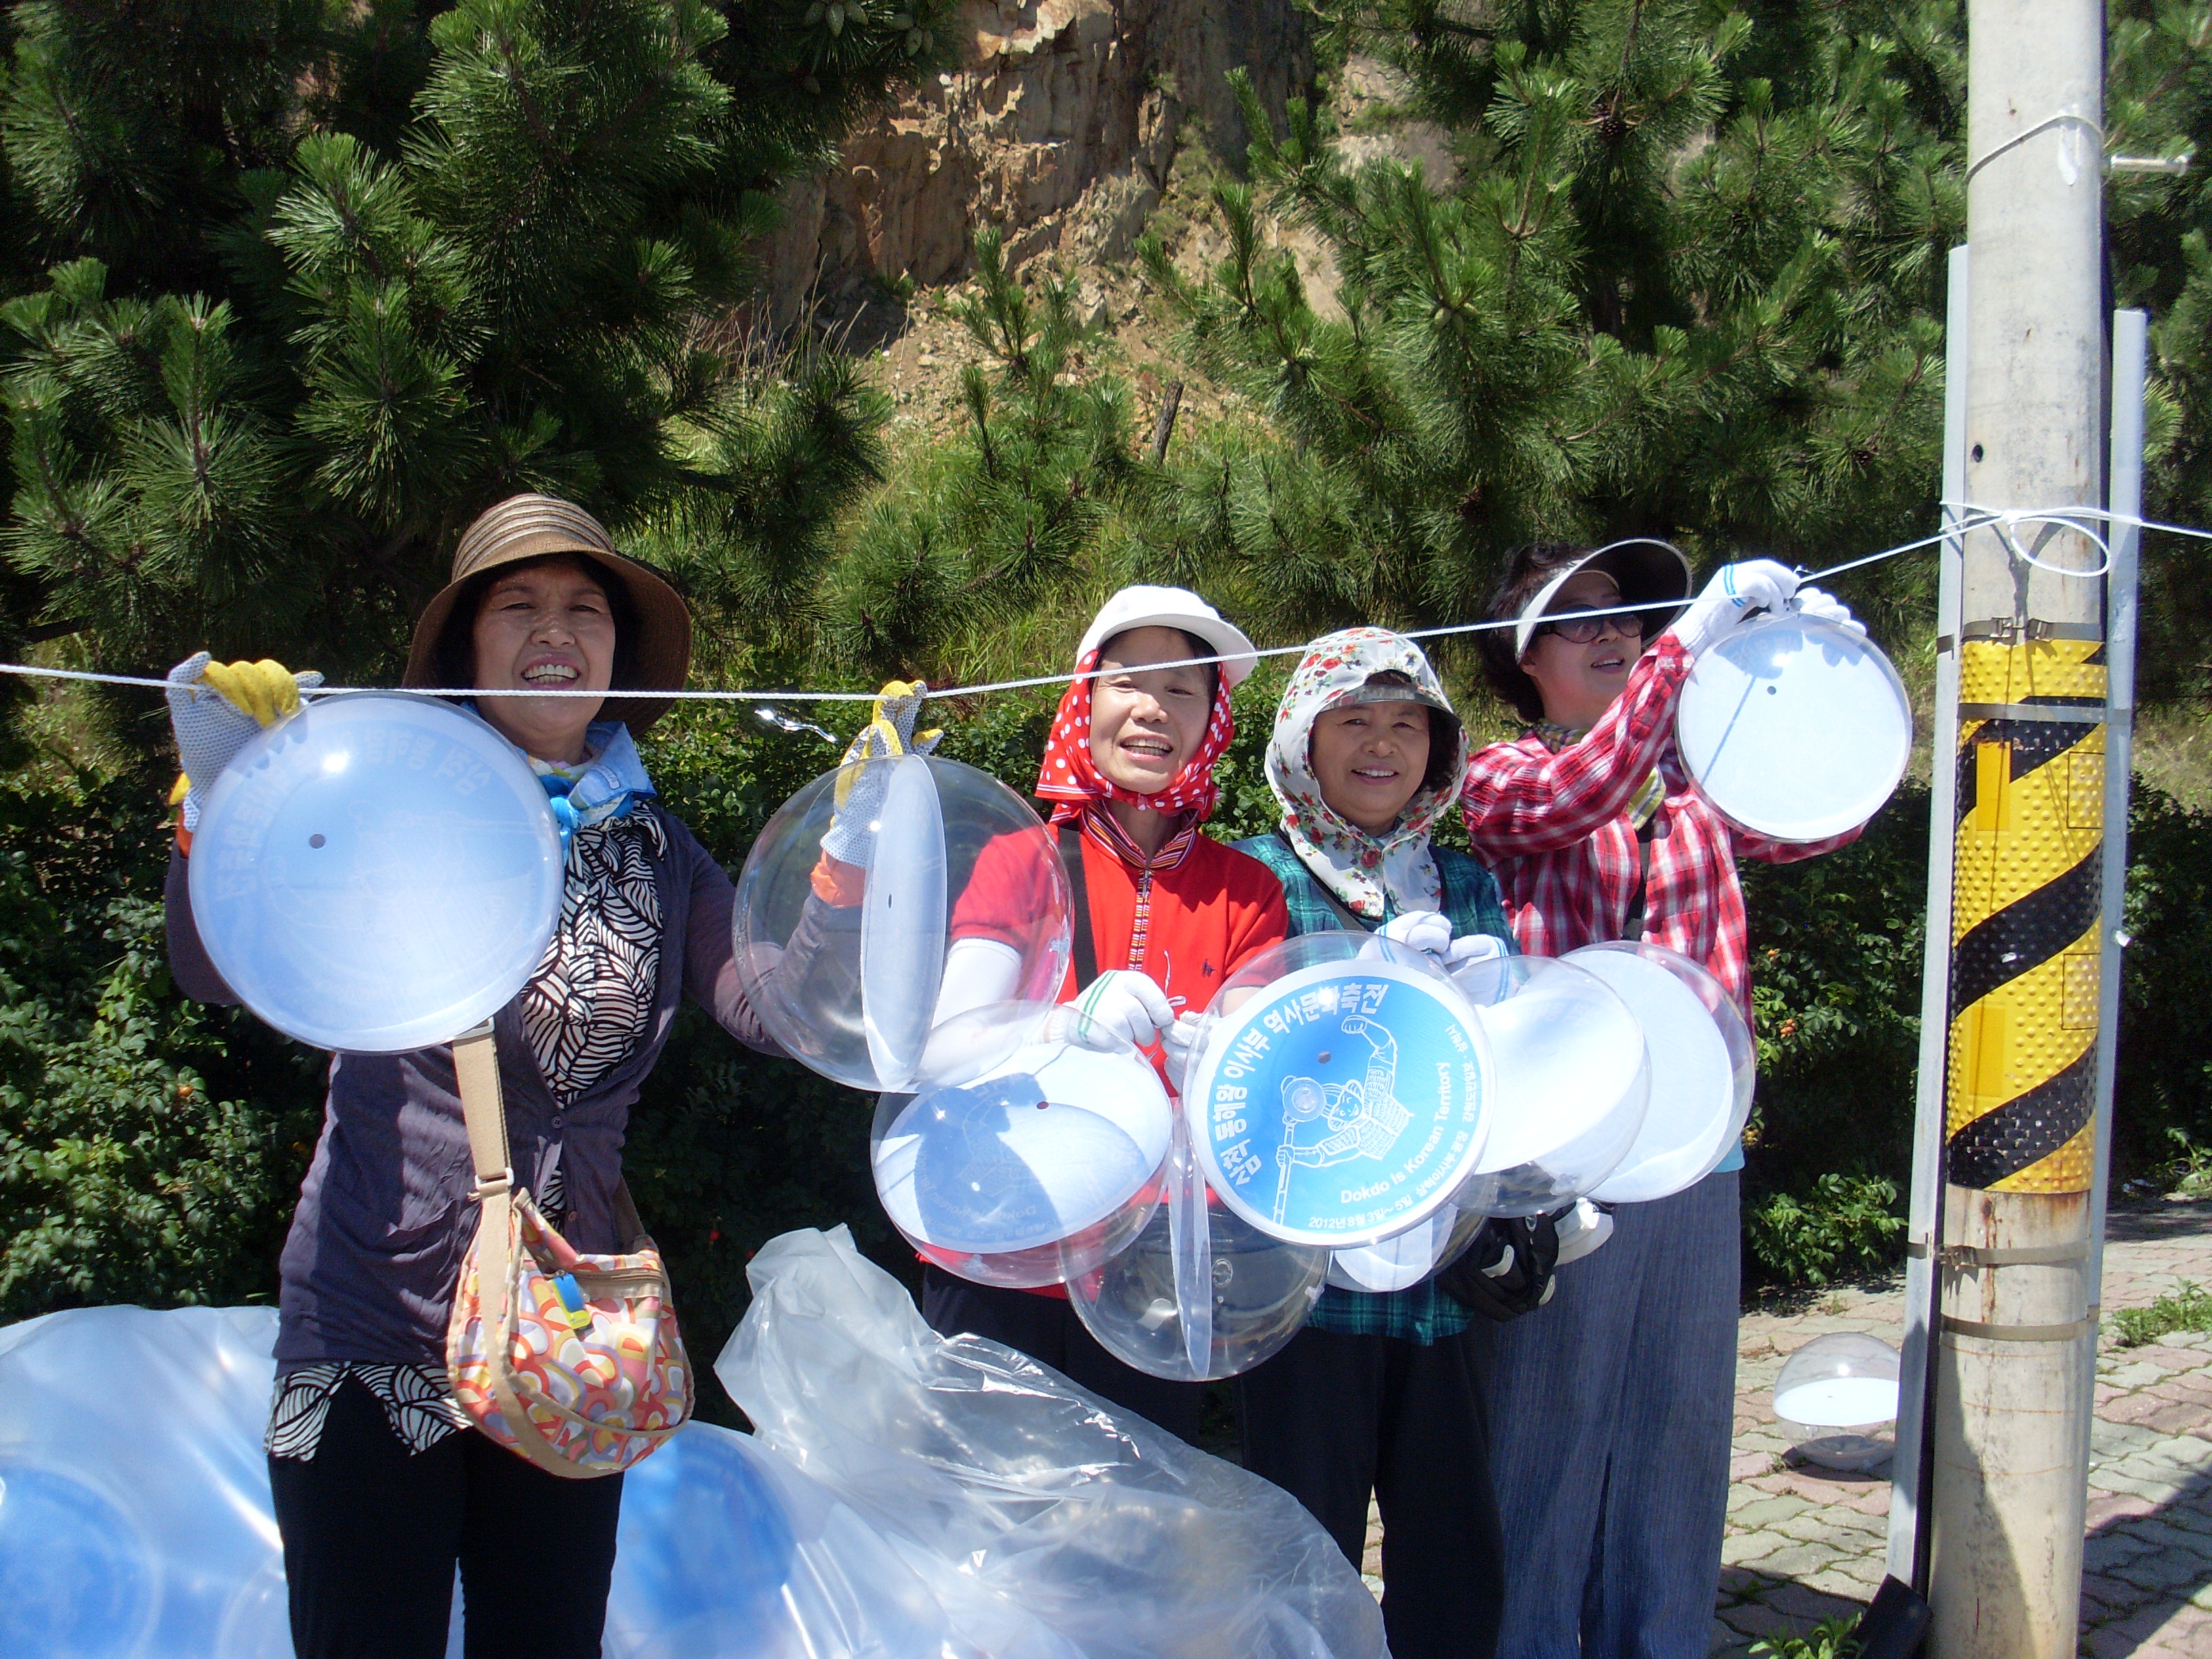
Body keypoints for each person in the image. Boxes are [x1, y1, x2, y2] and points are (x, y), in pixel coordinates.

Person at [163, 494, 783, 1659]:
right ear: (465, 644)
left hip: (562, 1333)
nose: (556, 630)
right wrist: (223, 802)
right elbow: (213, 969)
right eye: (518, 605)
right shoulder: (381, 801)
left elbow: (769, 1007)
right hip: (372, 1310)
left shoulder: (660, 846)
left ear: (617, 650)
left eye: (585, 608)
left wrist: (856, 847)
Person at [1460, 540, 1866, 1659]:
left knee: (1676, 1424)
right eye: (1579, 617)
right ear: (1523, 657)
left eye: (1630, 614)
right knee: (1546, 1425)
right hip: (1567, 1156)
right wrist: (1687, 647)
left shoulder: (1695, 777)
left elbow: (1817, 818)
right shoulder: (1499, 775)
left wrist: (1823, 680)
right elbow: (1582, 788)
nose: (1615, 631)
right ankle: (1528, 1641)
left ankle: (1662, 1638)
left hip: (1696, 1148)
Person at [1227, 626, 1547, 1659]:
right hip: (1306, 1288)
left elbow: (1508, 1061)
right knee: (1299, 1541)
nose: (1382, 746)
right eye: (1354, 722)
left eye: (1408, 725)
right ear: (1302, 742)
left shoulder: (1464, 884)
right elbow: (1239, 1066)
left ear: (1439, 750)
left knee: (1452, 1548)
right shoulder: (1258, 878)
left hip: (1445, 1283)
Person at [921, 585, 1291, 1442]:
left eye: (1182, 689)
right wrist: (1060, 1027)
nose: (1152, 709)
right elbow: (943, 1048)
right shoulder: (1021, 859)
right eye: (1128, 682)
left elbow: (1251, 1065)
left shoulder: (1248, 891)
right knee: (984, 1504)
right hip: (1000, 1245)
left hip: (1147, 1275)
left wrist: (1225, 1065)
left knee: (1131, 1513)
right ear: (1084, 698)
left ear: (1213, 719)